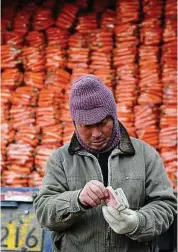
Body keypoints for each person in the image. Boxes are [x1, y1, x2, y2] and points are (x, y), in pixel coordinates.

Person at [33, 74, 177, 252]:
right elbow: (43, 212)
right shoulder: (61, 159)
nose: (96, 134)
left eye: (102, 123)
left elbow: (166, 205)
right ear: (74, 123)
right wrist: (77, 200)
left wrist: (137, 222)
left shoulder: (145, 155)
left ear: (114, 117)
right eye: (86, 126)